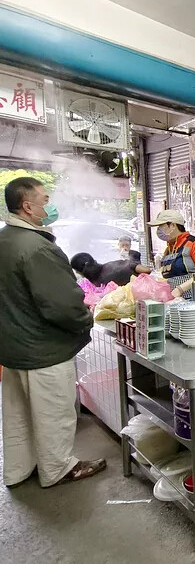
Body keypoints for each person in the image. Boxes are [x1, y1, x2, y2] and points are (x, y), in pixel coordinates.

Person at [0, 176, 106, 487]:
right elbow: (61, 304)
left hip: (13, 347)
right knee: (53, 414)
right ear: (27, 206)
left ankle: (18, 470)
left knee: (18, 415)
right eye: (45, 200)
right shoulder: (37, 248)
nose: (50, 205)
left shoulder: (5, 240)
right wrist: (85, 317)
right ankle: (57, 469)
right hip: (43, 349)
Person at [147, 210, 195, 281]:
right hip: (172, 288)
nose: (158, 230)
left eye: (161, 226)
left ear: (172, 225)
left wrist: (181, 287)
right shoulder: (169, 249)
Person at [69, 252, 151, 287]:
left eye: (77, 271)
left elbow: (145, 270)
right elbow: (146, 270)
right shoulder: (108, 266)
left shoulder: (94, 284)